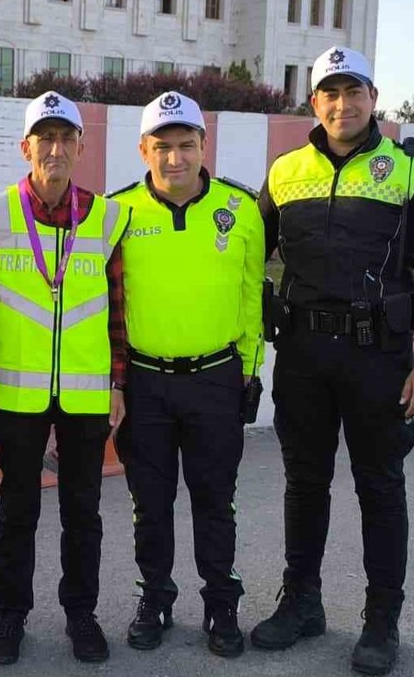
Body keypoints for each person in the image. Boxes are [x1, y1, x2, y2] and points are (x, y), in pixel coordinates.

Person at [250, 46, 414, 676]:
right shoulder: (286, 171)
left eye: (355, 92)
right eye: (330, 94)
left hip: (380, 358)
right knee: (304, 483)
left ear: (374, 99)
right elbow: (243, 258)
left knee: (380, 487)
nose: (343, 105)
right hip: (304, 355)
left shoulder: (410, 171)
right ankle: (303, 603)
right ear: (314, 103)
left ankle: (380, 621)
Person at [107, 91, 264, 659]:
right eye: (163, 147)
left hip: (216, 379)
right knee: (150, 501)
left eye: (186, 145)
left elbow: (251, 298)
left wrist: (250, 372)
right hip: (146, 384)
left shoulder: (240, 209)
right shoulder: (117, 211)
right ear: (144, 150)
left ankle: (222, 602)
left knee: (214, 499)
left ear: (204, 145)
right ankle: (156, 596)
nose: (175, 158)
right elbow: (107, 305)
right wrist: (115, 383)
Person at [0, 91, 129, 666]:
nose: (56, 148)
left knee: (82, 513)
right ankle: (9, 615)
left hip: (88, 396)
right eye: (46, 138)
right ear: (26, 147)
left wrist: (117, 384)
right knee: (18, 512)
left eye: (67, 138)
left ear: (82, 147)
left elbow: (119, 310)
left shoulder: (109, 217)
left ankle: (80, 615)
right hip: (16, 395)